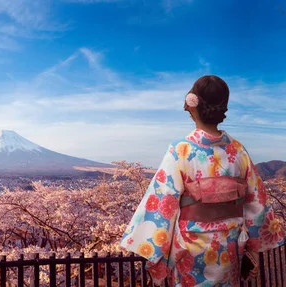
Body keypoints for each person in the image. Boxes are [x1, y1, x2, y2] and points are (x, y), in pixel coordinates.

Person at [119, 75, 284, 286]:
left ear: (192, 105)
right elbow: (256, 203)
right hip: (230, 246)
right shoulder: (238, 151)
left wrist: (152, 249)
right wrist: (252, 242)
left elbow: (162, 204)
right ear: (223, 107)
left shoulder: (181, 150)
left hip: (191, 247)